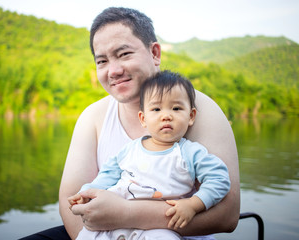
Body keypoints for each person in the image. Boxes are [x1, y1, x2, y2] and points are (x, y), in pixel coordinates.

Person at [20, 6, 240, 240]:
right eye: (102, 61)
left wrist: (126, 212)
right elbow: (72, 201)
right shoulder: (93, 116)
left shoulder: (199, 109)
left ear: (155, 53)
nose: (113, 70)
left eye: (124, 54)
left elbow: (227, 215)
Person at [68, 70, 231, 240]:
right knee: (87, 235)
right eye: (156, 109)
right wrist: (86, 193)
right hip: (114, 224)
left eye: (176, 108)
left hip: (159, 228)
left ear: (191, 116)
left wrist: (193, 204)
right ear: (143, 118)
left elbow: (220, 179)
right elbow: (107, 176)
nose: (166, 116)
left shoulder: (190, 153)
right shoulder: (129, 150)